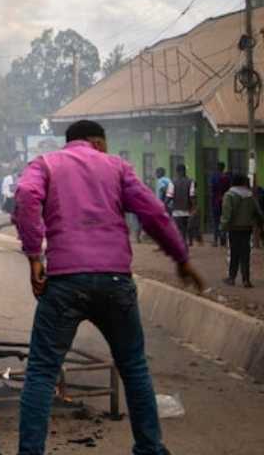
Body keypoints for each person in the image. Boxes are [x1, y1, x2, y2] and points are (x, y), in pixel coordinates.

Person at [13, 119, 203, 455]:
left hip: (64, 281)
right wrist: (180, 257)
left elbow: (27, 195)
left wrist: (33, 255)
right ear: (98, 142)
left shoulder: (45, 164)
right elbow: (154, 213)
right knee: (134, 367)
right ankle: (150, 448)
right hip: (116, 279)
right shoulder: (117, 167)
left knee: (42, 372)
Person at [221, 173, 263, 288]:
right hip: (247, 228)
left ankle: (231, 278)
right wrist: (259, 224)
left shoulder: (229, 195)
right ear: (244, 182)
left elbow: (227, 214)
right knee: (245, 254)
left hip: (234, 229)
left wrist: (223, 227)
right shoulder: (250, 195)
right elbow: (258, 212)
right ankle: (246, 280)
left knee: (234, 253)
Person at [167, 164, 196, 248]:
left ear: (177, 171)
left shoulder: (172, 182)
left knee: (178, 229)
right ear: (184, 171)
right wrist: (194, 208)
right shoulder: (190, 181)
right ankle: (184, 245)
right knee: (184, 229)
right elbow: (192, 196)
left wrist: (164, 205)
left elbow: (169, 196)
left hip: (176, 210)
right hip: (187, 210)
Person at [210, 162, 230, 247]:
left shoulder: (213, 177)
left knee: (216, 222)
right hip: (224, 201)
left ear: (217, 167)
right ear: (223, 168)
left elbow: (212, 188)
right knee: (223, 221)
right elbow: (228, 189)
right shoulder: (227, 177)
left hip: (215, 201)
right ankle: (223, 240)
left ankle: (215, 241)